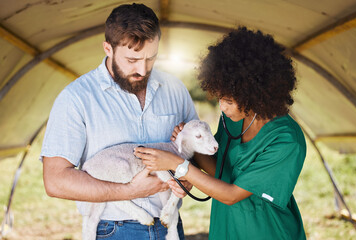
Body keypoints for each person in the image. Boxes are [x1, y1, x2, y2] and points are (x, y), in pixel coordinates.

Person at [40, 3, 197, 240]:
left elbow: (196, 149)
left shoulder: (175, 89)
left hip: (171, 227)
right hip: (113, 229)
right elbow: (55, 181)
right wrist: (128, 191)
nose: (142, 70)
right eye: (132, 59)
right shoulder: (76, 98)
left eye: (150, 58)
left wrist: (189, 177)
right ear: (108, 48)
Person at [134, 27, 307, 239]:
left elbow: (232, 194)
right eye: (220, 98)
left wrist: (176, 164)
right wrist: (191, 145)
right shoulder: (233, 119)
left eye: (229, 101)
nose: (222, 108)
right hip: (225, 228)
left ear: (255, 94)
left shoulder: (286, 140)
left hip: (266, 231)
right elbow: (221, 170)